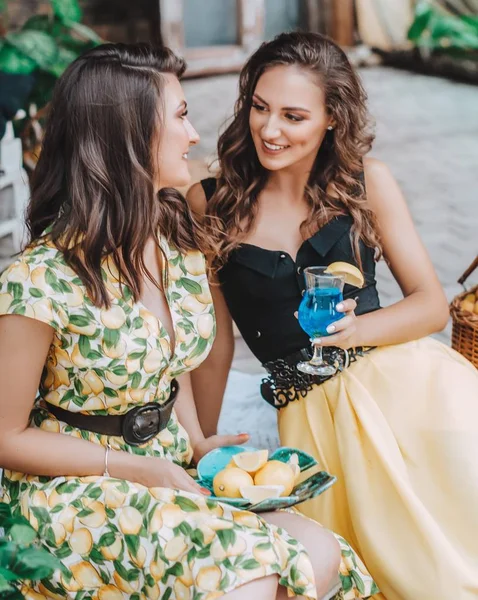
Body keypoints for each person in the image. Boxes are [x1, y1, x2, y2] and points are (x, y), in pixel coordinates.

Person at [0, 42, 376, 600]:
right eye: (179, 115)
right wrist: (129, 467)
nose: (196, 133)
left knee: (321, 556)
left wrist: (197, 442)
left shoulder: (177, 240)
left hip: (163, 464)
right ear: (129, 135)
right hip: (72, 487)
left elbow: (167, 369)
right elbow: (6, 436)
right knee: (252, 582)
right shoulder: (39, 278)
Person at [188, 32, 478, 600]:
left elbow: (427, 303)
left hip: (408, 382)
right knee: (387, 566)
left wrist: (359, 329)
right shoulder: (211, 199)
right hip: (313, 412)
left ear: (331, 119)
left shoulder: (367, 183)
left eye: (294, 116)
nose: (270, 130)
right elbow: (215, 340)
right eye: (260, 108)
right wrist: (197, 441)